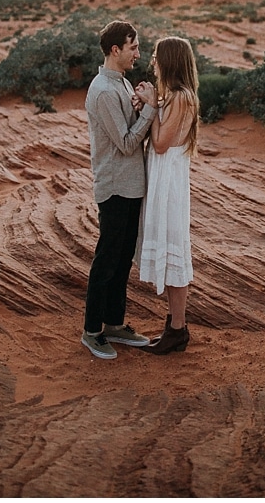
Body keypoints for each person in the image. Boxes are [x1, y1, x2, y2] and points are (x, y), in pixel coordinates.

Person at [81, 20, 156, 359]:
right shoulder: (103, 90)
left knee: (124, 258)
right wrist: (151, 112)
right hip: (113, 186)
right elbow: (126, 144)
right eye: (133, 47)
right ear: (116, 50)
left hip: (131, 185)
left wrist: (139, 105)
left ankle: (113, 323)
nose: (137, 54)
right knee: (107, 259)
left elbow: (126, 127)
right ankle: (92, 331)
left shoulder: (122, 84)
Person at [137, 36, 200, 354]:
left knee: (175, 249)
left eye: (157, 57)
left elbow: (160, 144)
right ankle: (175, 327)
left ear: (170, 61)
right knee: (173, 249)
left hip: (170, 183)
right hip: (167, 179)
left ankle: (178, 330)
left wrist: (151, 107)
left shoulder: (180, 96)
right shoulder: (173, 96)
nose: (153, 61)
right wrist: (152, 103)